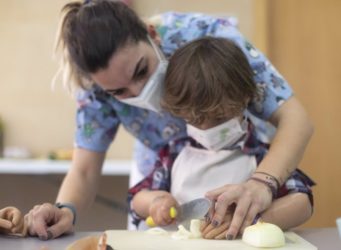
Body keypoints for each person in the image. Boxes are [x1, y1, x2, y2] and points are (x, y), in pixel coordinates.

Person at [26, 0, 314, 241]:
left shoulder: (206, 38)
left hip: (244, 154)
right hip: (169, 168)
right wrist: (66, 210)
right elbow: (85, 171)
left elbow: (295, 120)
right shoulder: (163, 153)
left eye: (141, 71)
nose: (139, 93)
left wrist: (260, 186)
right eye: (118, 92)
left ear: (151, 33)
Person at [128, 37, 314, 239]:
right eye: (194, 119)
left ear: (245, 98)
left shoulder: (264, 158)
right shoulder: (173, 153)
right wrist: (155, 202)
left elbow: (303, 203)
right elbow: (137, 199)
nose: (207, 127)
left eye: (219, 117)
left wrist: (250, 219)